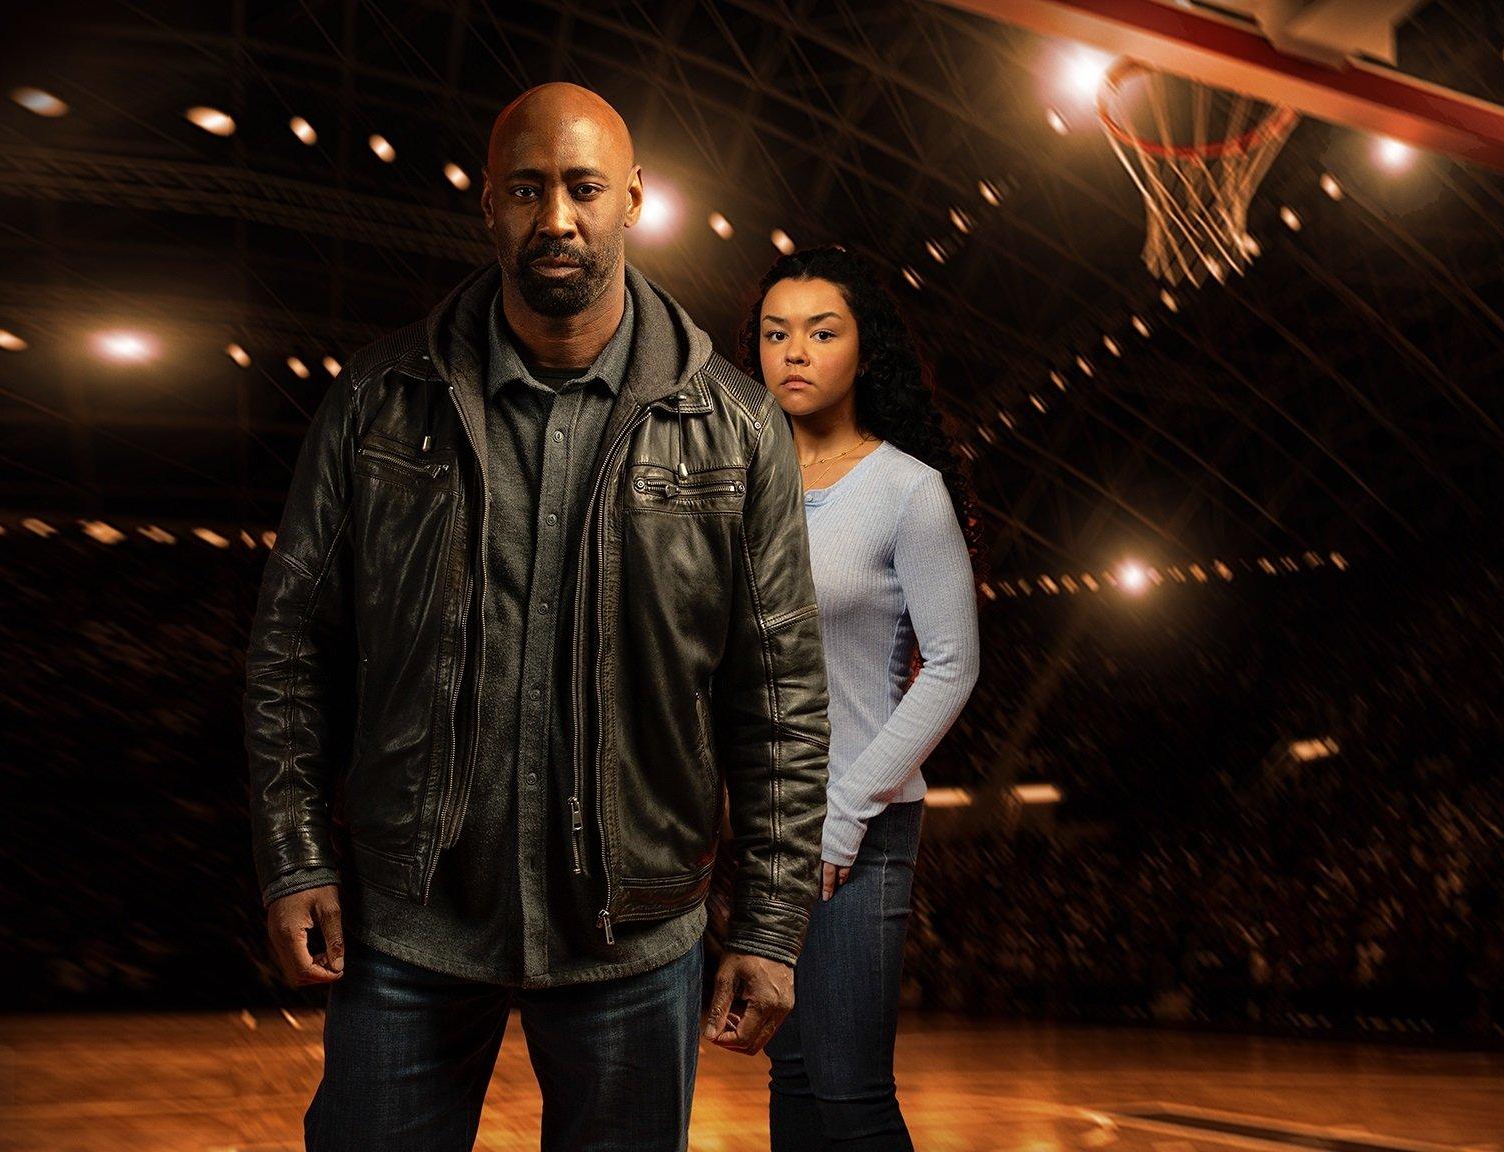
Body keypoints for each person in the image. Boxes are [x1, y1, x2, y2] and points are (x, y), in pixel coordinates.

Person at [243, 83, 831, 1152]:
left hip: (634, 938)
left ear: (632, 200)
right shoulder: (378, 399)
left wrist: (772, 924)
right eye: (526, 189)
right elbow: (292, 648)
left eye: (583, 188)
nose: (555, 216)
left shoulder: (739, 428)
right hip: (410, 924)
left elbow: (780, 696)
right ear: (488, 205)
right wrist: (296, 854)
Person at [736, 245, 983, 1150]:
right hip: (766, 827)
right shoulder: (738, 483)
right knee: (795, 1079)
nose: (794, 352)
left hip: (858, 826)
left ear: (865, 350)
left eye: (821, 332)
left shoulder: (908, 491)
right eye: (775, 334)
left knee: (849, 1093)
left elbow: (952, 665)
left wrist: (842, 817)